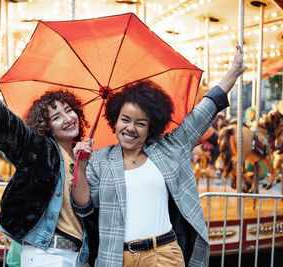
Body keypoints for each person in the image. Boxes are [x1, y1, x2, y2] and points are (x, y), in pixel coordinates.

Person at [71, 44, 247, 267]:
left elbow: (205, 111)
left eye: (140, 123)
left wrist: (233, 72)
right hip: (116, 258)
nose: (131, 128)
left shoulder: (169, 148)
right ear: (114, 121)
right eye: (125, 120)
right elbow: (84, 206)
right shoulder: (100, 160)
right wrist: (81, 166)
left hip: (163, 255)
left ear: (151, 127)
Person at [0, 43, 97, 266]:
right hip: (47, 254)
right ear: (46, 126)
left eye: (69, 110)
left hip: (80, 256)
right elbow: (0, 120)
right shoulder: (40, 149)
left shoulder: (90, 159)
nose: (67, 118)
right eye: (57, 117)